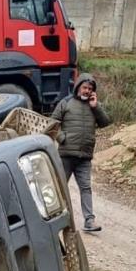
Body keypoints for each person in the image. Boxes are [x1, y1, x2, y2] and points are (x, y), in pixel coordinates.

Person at [51, 73, 111, 232]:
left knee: (86, 188)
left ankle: (89, 221)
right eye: (84, 87)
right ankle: (56, 221)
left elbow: (105, 123)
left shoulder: (94, 105)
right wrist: (62, 138)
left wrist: (95, 106)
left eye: (90, 89)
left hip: (84, 156)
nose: (87, 91)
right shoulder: (66, 102)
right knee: (60, 188)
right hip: (66, 155)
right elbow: (52, 124)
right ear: (78, 87)